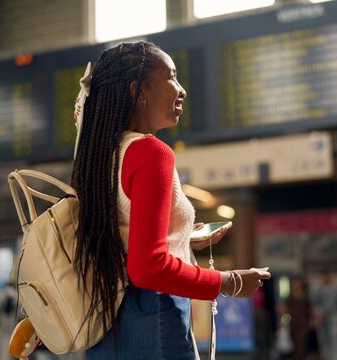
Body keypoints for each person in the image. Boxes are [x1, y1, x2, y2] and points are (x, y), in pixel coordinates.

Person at [71, 41, 271, 360]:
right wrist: (230, 281)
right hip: (154, 317)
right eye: (172, 77)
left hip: (104, 320)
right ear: (139, 91)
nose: (182, 90)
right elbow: (147, 269)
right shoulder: (151, 153)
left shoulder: (97, 158)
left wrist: (182, 238)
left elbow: (122, 238)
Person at [310, 269, 337, 360]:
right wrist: (318, 315)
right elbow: (313, 303)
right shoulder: (316, 289)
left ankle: (336, 357)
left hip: (333, 316)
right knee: (323, 339)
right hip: (321, 317)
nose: (327, 278)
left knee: (334, 337)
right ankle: (326, 356)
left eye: (329, 275)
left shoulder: (336, 289)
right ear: (322, 277)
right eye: (325, 276)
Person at [283, 275, 312, 360]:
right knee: (294, 342)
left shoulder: (304, 296)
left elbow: (309, 309)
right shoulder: (290, 296)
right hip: (293, 322)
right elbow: (286, 308)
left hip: (302, 323)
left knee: (301, 343)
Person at [0, 282, 18, 360]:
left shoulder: (16, 295)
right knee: (2, 342)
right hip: (3, 323)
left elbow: (20, 309)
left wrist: (14, 296)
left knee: (11, 341)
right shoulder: (1, 294)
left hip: (12, 323)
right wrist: (5, 296)